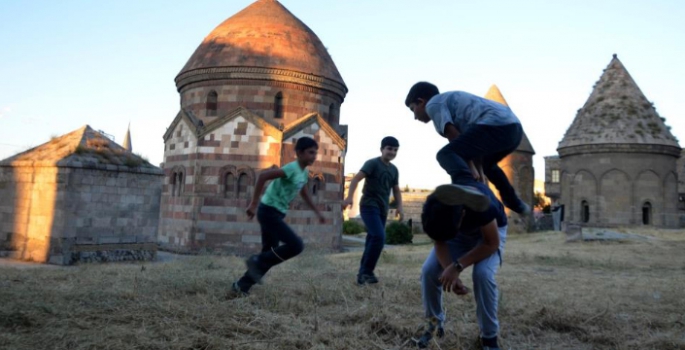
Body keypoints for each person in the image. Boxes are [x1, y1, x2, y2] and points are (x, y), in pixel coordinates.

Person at [405, 81, 530, 215]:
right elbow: (471, 148)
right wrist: (480, 179)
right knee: (488, 165)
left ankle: (466, 186)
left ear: (421, 101)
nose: (414, 117)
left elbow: (452, 136)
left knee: (445, 154)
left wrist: (470, 172)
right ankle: (513, 202)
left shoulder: (433, 105)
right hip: (513, 130)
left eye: (413, 109)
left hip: (494, 125)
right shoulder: (450, 102)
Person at [416, 181, 507, 350]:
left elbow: (491, 243)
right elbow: (440, 240)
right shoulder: (437, 206)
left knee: (483, 275)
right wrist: (449, 270)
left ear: (463, 214)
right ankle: (434, 326)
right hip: (457, 231)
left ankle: (489, 338)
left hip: (489, 233)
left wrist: (457, 266)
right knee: (429, 271)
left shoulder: (482, 204)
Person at [231, 137, 325, 295]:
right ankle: (255, 261)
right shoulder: (291, 169)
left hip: (276, 213)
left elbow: (304, 193)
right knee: (296, 245)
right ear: (299, 153)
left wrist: (317, 212)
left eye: (315, 153)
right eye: (310, 152)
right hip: (268, 211)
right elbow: (263, 176)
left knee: (270, 253)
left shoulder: (304, 172)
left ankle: (241, 286)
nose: (314, 156)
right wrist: (253, 204)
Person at [343, 136, 403, 285]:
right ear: (382, 149)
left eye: (395, 150)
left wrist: (400, 207)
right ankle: (367, 272)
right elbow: (356, 179)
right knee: (379, 237)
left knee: (372, 240)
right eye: (389, 149)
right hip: (369, 206)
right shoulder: (372, 164)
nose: (392, 152)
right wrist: (350, 197)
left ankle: (363, 274)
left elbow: (396, 190)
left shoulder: (394, 170)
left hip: (383, 209)